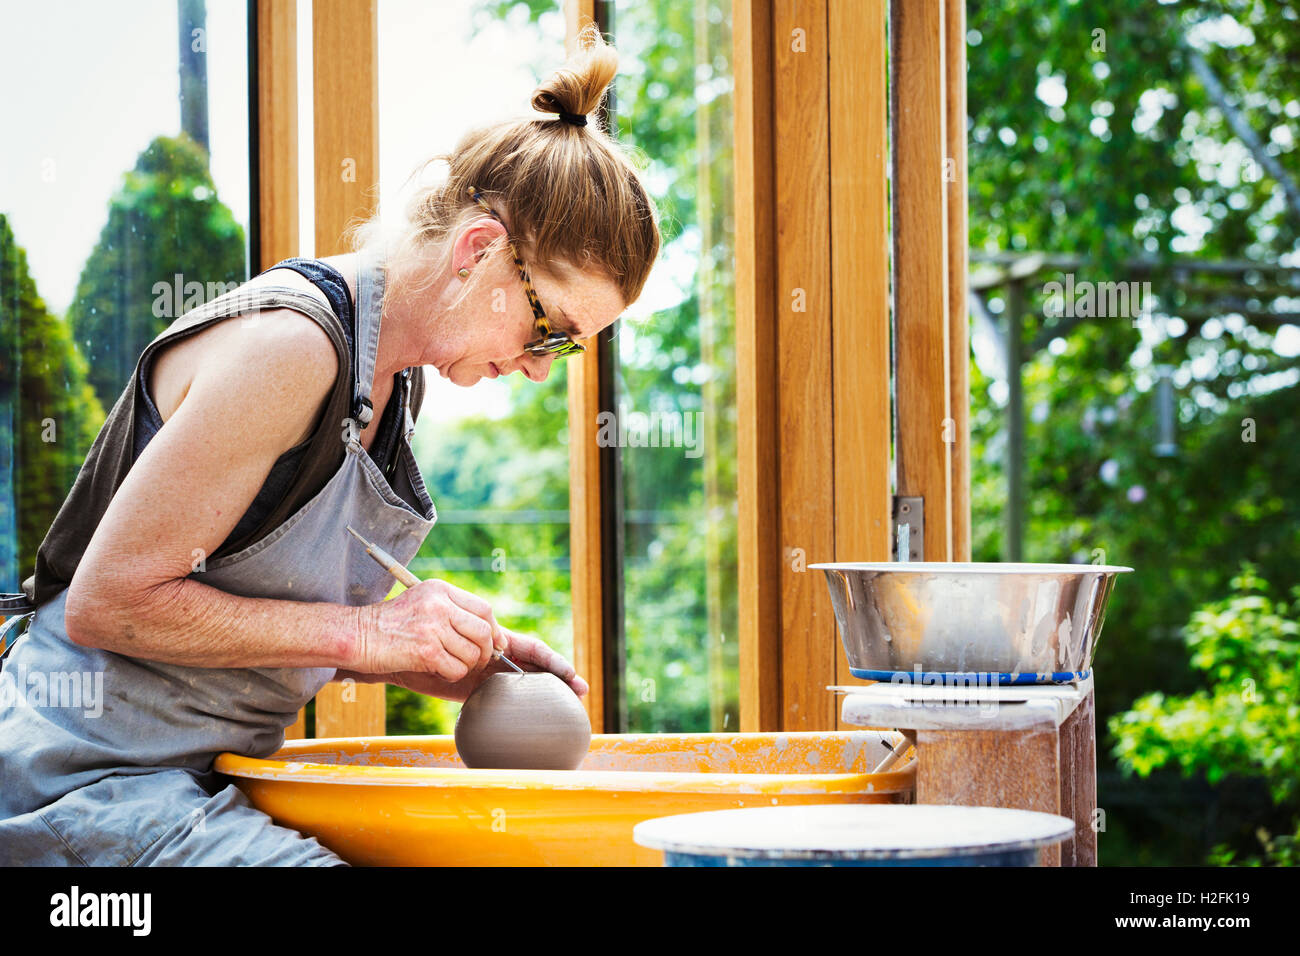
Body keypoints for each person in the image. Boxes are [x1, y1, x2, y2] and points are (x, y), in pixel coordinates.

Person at [0, 25, 659, 866]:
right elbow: (110, 604)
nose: (539, 370)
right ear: (479, 249)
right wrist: (367, 637)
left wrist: (420, 658)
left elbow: (236, 617)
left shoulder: (397, 380)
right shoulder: (294, 346)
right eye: (550, 331)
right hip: (78, 784)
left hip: (201, 779)